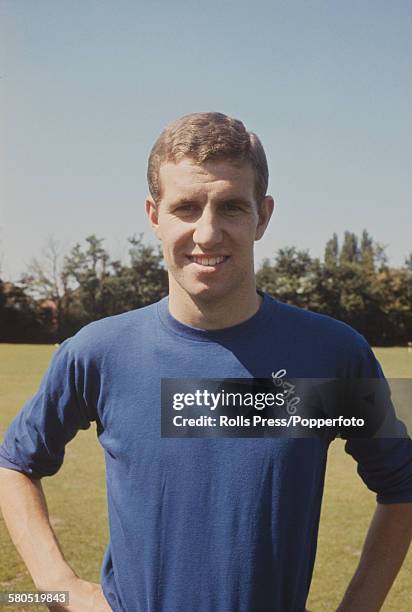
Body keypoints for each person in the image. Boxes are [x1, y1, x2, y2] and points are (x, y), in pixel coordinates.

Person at [0, 112, 411, 612]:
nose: (208, 233)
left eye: (231, 207)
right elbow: (15, 464)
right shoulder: (99, 352)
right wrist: (60, 589)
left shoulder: (330, 354)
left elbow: (401, 485)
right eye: (186, 208)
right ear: (155, 216)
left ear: (263, 215)